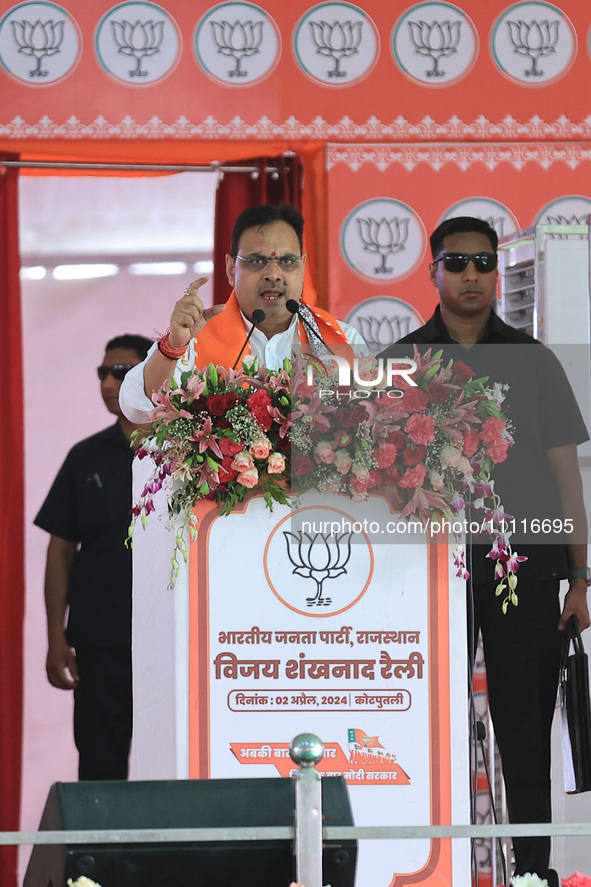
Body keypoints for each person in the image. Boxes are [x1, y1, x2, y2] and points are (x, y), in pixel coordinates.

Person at [380, 216, 590, 885]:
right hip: (425, 568)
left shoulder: (533, 359)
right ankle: (423, 866)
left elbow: (565, 475)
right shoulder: (400, 361)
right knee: (422, 720)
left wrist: (580, 577)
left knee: (521, 726)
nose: (471, 274)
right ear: (434, 270)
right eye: (457, 262)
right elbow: (374, 476)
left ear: (496, 270)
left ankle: (531, 872)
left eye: (482, 262)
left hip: (523, 563)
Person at [119, 203, 365, 422]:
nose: (273, 274)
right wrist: (174, 345)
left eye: (287, 261)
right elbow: (139, 408)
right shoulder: (194, 339)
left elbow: (369, 416)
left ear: (302, 268)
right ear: (230, 269)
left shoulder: (340, 339)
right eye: (257, 261)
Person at [35, 333, 152, 781]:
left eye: (119, 372)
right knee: (101, 766)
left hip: (174, 638)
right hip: (101, 641)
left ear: (152, 374)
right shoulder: (84, 457)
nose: (107, 382)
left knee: (177, 761)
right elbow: (59, 551)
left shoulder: (190, 449)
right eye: (102, 373)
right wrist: (55, 637)